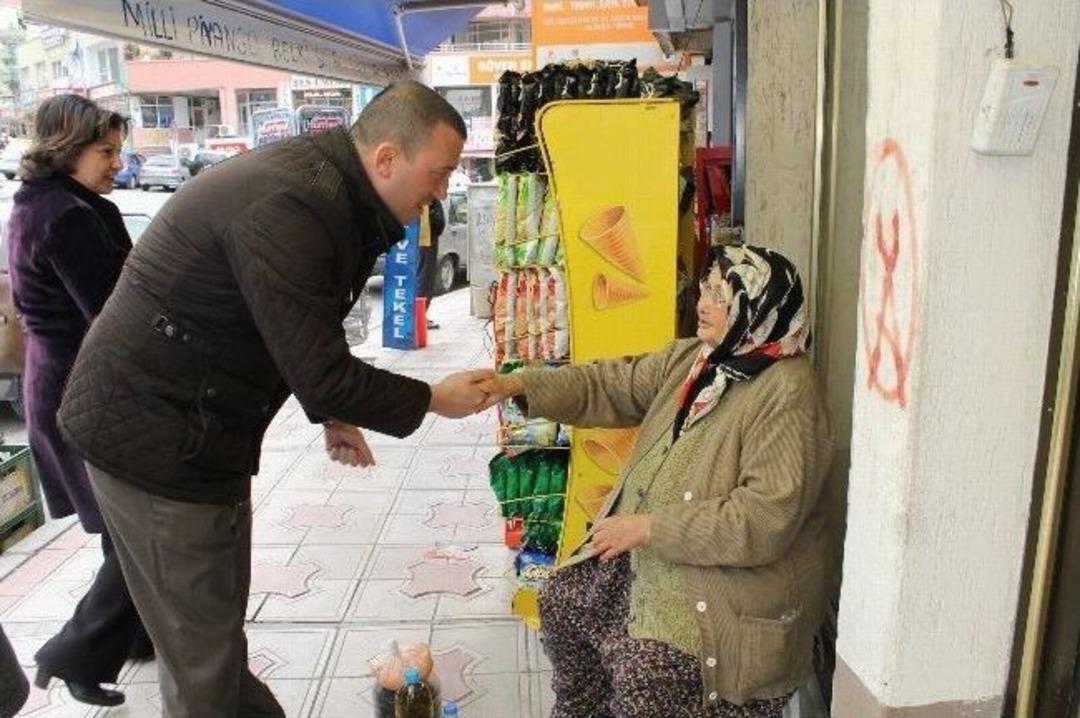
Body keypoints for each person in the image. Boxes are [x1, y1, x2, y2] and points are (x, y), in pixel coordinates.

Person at [56, 81, 495, 717]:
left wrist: (333, 411)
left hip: (197, 429)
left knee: (210, 637)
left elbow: (290, 332)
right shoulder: (294, 204)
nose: (441, 193)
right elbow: (319, 367)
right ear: (388, 159)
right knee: (202, 658)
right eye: (440, 173)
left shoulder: (329, 192)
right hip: (154, 437)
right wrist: (432, 396)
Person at [484, 245, 838, 717]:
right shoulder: (699, 360)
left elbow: (763, 521)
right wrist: (517, 386)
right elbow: (612, 384)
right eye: (705, 287)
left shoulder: (787, 391)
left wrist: (650, 528)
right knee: (564, 602)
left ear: (759, 303)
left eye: (720, 292)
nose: (703, 302)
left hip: (726, 588)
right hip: (659, 556)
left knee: (648, 671)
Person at [6, 94, 151, 707]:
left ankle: (139, 634)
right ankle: (72, 652)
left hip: (58, 381)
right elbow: (112, 317)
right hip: (80, 393)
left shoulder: (42, 204)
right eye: (105, 151)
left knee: (122, 528)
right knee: (136, 530)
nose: (116, 163)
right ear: (67, 149)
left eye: (118, 151)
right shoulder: (66, 216)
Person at [416, 198, 446, 329]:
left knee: (423, 277)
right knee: (424, 277)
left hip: (423, 238)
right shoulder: (425, 196)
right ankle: (419, 316)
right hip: (425, 238)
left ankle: (420, 315)